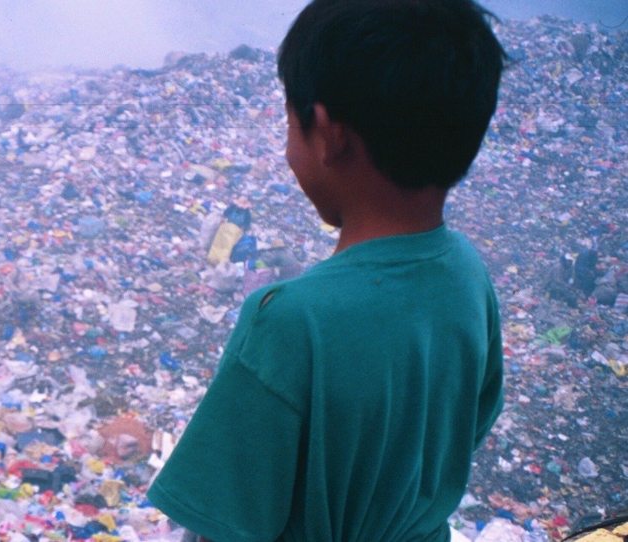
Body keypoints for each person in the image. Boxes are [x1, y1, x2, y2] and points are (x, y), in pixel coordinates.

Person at [147, 1, 507, 541]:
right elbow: (470, 421)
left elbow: (222, 522)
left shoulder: (290, 321)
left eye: (289, 121)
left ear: (326, 131)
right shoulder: (466, 274)